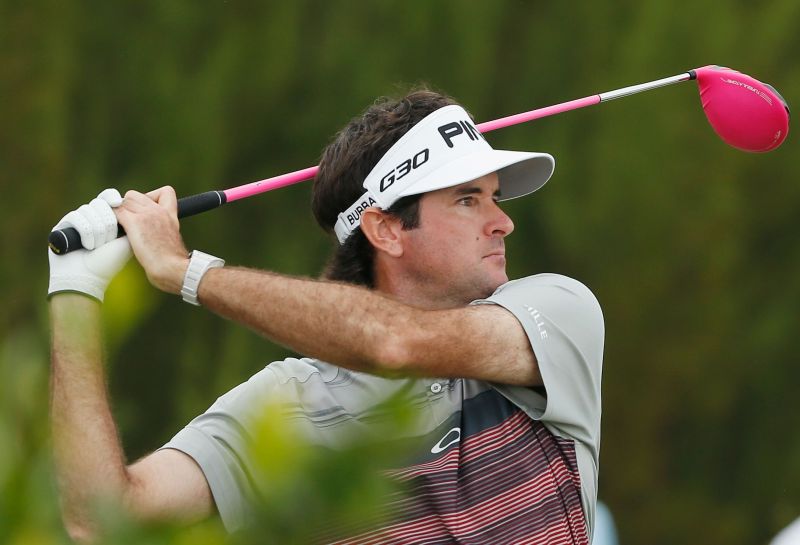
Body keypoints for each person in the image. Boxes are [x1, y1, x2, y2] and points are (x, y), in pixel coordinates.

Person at [48, 90, 604, 543]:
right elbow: (102, 521)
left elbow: (393, 343)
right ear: (386, 229)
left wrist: (186, 270)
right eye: (467, 199)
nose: (501, 222)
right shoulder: (281, 409)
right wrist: (75, 292)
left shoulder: (556, 313)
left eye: (495, 196)